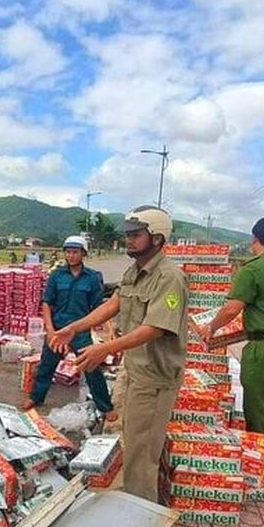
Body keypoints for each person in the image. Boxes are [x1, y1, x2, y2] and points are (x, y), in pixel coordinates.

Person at [51, 207, 187, 502]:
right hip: (135, 369)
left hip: (155, 378)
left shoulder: (169, 277)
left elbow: (155, 328)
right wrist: (74, 327)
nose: (129, 240)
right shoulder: (135, 271)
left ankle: (140, 513)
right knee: (131, 437)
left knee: (142, 452)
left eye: (136, 235)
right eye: (127, 235)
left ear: (158, 238)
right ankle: (135, 498)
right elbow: (113, 305)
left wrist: (105, 348)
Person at [194, 216, 264, 475]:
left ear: (255, 238)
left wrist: (211, 327)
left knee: (258, 407)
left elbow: (233, 307)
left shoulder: (253, 269)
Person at [22, 236, 116, 423]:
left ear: (83, 254)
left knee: (92, 368)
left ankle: (105, 406)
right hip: (58, 330)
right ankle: (36, 397)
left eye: (75, 252)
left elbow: (100, 308)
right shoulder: (57, 275)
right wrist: (49, 330)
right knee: (46, 366)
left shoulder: (92, 278)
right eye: (68, 252)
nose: (71, 255)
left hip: (81, 332)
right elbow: (47, 303)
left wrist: (110, 329)